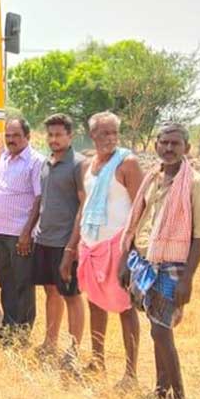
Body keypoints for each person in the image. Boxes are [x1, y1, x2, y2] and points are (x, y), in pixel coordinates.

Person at [119, 123, 200, 399]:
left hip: (173, 266)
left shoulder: (196, 183)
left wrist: (187, 279)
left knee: (162, 330)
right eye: (164, 143)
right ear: (156, 145)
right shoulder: (153, 178)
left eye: (175, 143)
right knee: (155, 327)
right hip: (145, 262)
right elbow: (138, 219)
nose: (169, 148)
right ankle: (161, 390)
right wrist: (127, 258)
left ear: (187, 148)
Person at [64, 112, 143, 384]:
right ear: (92, 135)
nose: (109, 138)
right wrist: (70, 249)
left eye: (113, 133)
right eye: (103, 133)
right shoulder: (87, 166)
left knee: (125, 308)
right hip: (91, 246)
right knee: (96, 304)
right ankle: (98, 362)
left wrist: (132, 252)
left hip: (117, 248)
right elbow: (83, 210)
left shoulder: (128, 163)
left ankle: (130, 374)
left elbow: (140, 209)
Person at [21, 114, 86, 369]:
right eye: (50, 135)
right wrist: (29, 230)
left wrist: (73, 246)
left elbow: (84, 205)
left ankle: (74, 350)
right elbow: (41, 202)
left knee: (71, 295)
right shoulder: (47, 163)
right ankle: (50, 342)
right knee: (50, 290)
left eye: (59, 135)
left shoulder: (78, 165)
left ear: (70, 136)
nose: (54, 139)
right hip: (45, 238)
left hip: (65, 242)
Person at [0, 117, 44, 341]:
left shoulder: (36, 162)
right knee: (5, 280)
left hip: (21, 235)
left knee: (23, 283)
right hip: (1, 232)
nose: (11, 140)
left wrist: (27, 233)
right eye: (8, 136)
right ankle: (7, 327)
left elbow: (39, 199)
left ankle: (22, 334)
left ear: (27, 137)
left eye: (16, 136)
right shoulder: (4, 158)